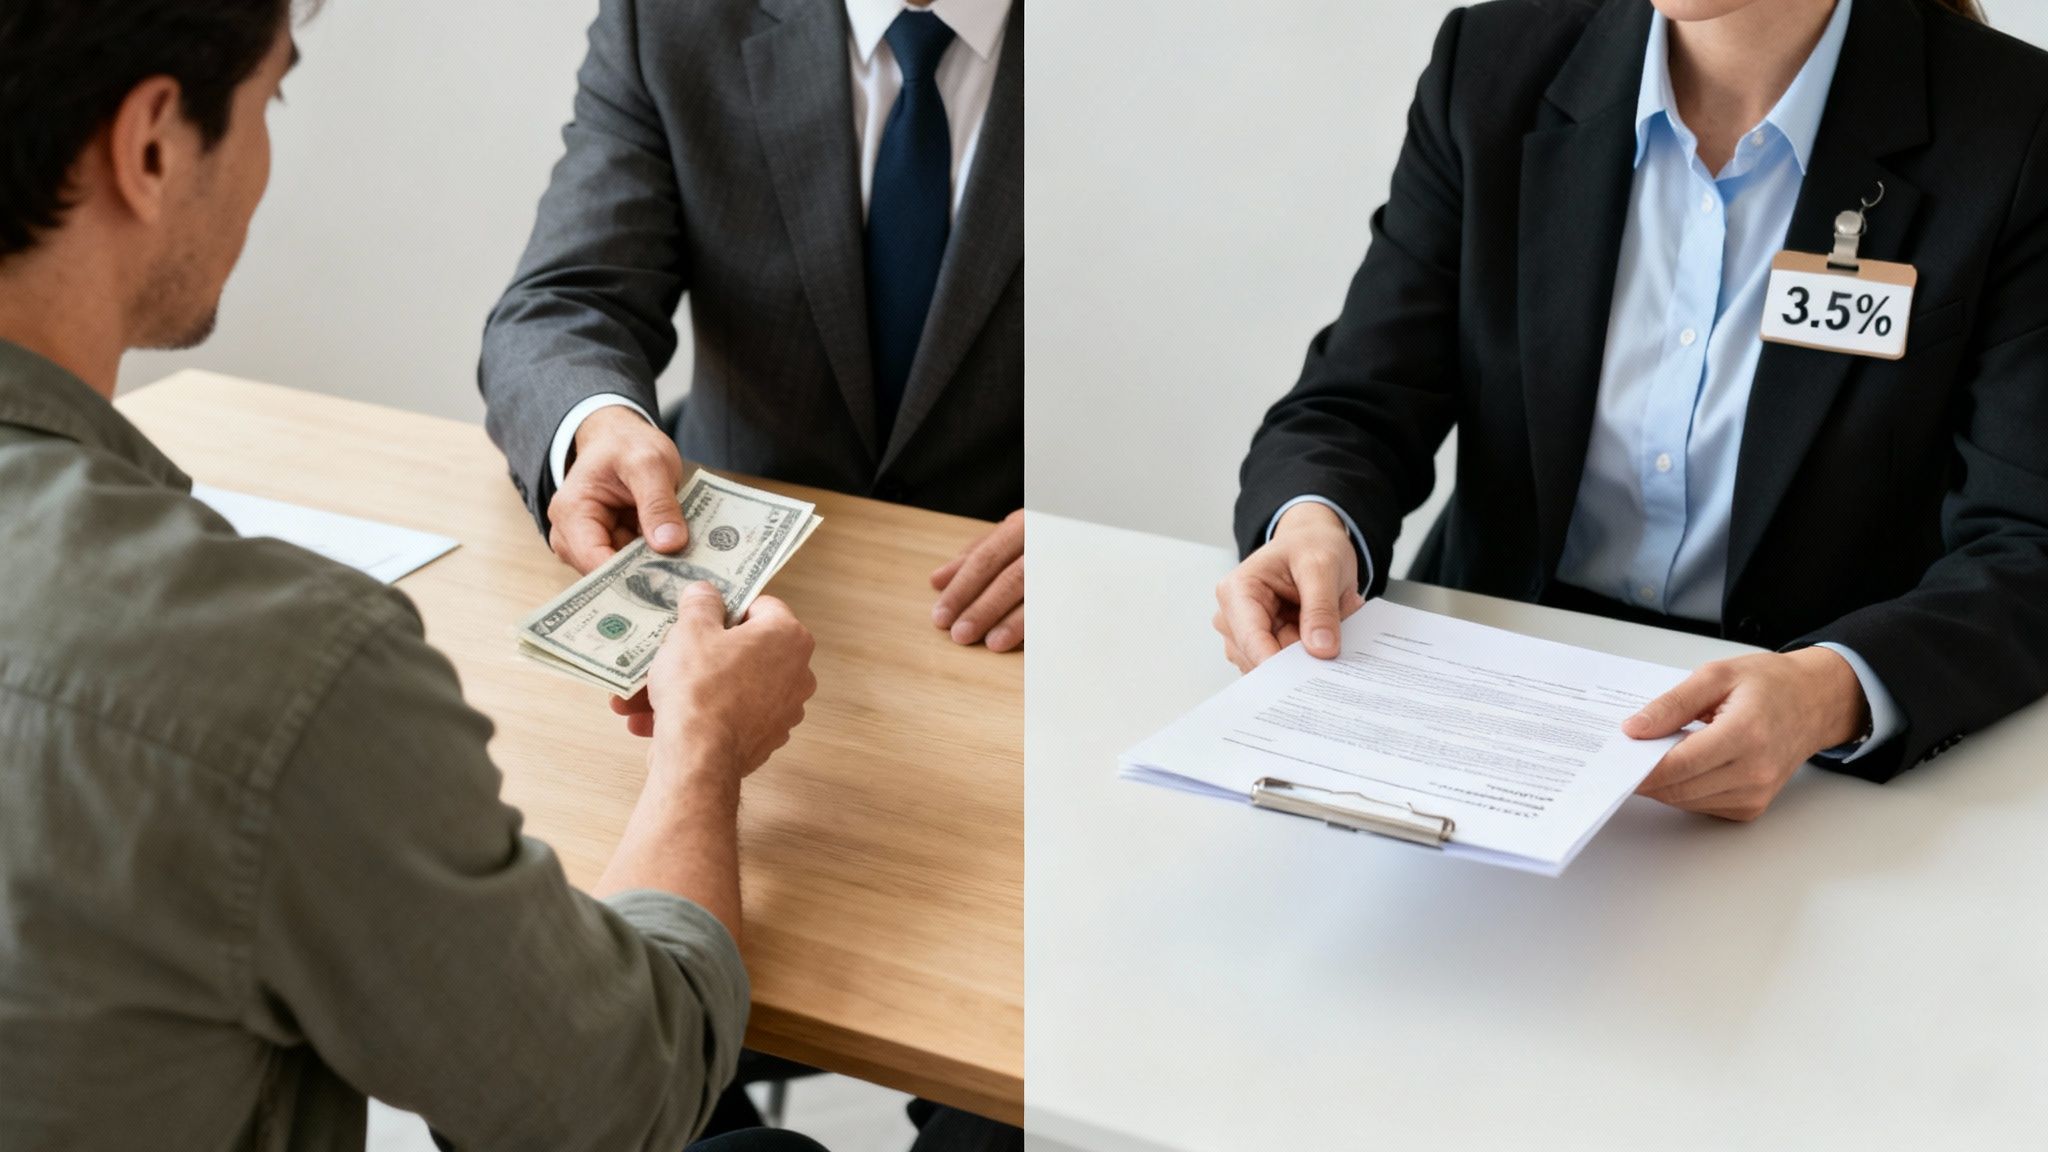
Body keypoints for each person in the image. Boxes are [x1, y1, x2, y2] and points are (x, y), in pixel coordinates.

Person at [0, 4, 826, 1150]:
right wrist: (702, 755)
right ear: (149, 147)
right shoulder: (278, 667)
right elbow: (621, 1094)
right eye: (269, 100)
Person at [1220, 0, 2048, 821]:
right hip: (1479, 705)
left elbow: (2029, 544)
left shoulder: (2017, 128)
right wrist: (1312, 526)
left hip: (1810, 777)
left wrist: (1829, 692)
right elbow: (1357, 402)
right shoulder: (1492, 65)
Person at [479, 0, 1026, 656]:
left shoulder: (1158, 40)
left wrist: (1115, 530)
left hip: (1016, 614)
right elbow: (566, 301)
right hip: (736, 589)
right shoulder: (669, 17)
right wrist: (598, 426)